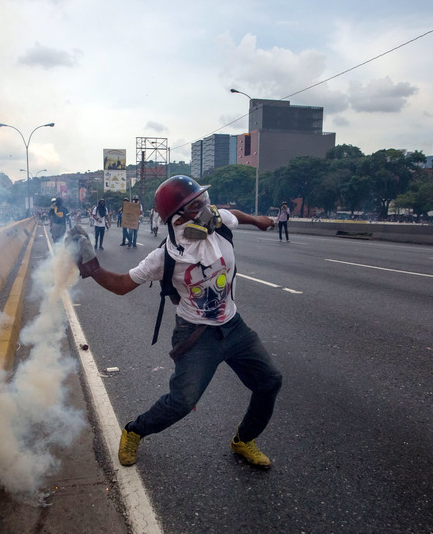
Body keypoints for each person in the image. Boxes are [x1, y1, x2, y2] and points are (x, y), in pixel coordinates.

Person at [64, 175, 282, 470]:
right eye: (197, 204)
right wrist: (91, 266)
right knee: (182, 402)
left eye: (204, 200)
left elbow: (235, 216)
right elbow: (121, 284)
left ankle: (244, 440)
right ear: (178, 218)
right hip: (196, 336)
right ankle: (134, 431)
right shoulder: (164, 257)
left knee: (269, 382)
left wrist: (257, 220)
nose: (207, 207)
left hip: (234, 327)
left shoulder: (216, 223)